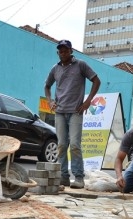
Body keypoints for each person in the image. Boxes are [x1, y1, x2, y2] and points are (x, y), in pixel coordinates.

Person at [45, 39, 101, 189]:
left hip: (76, 111)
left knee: (75, 144)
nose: (63, 53)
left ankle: (79, 177)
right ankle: (63, 177)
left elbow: (96, 81)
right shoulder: (55, 69)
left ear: (71, 51)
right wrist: (50, 101)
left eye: (65, 50)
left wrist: (88, 101)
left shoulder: (80, 65)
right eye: (60, 51)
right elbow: (47, 86)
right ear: (58, 52)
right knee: (62, 145)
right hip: (60, 112)